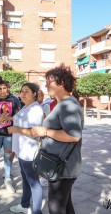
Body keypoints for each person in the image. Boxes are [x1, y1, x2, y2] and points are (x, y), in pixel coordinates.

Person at [32, 64, 84, 214]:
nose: (46, 85)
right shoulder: (64, 104)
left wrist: (45, 131)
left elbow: (74, 135)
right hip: (59, 164)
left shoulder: (69, 105)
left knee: (55, 207)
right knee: (65, 205)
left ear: (61, 83)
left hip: (63, 167)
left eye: (49, 81)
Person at [8, 83, 44, 214]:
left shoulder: (35, 110)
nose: (22, 94)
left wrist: (15, 129)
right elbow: (22, 121)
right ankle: (24, 205)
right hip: (21, 150)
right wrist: (10, 118)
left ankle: (36, 211)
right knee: (26, 179)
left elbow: (34, 132)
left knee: (34, 183)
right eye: (22, 91)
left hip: (29, 152)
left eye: (26, 91)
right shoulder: (27, 107)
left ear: (34, 93)